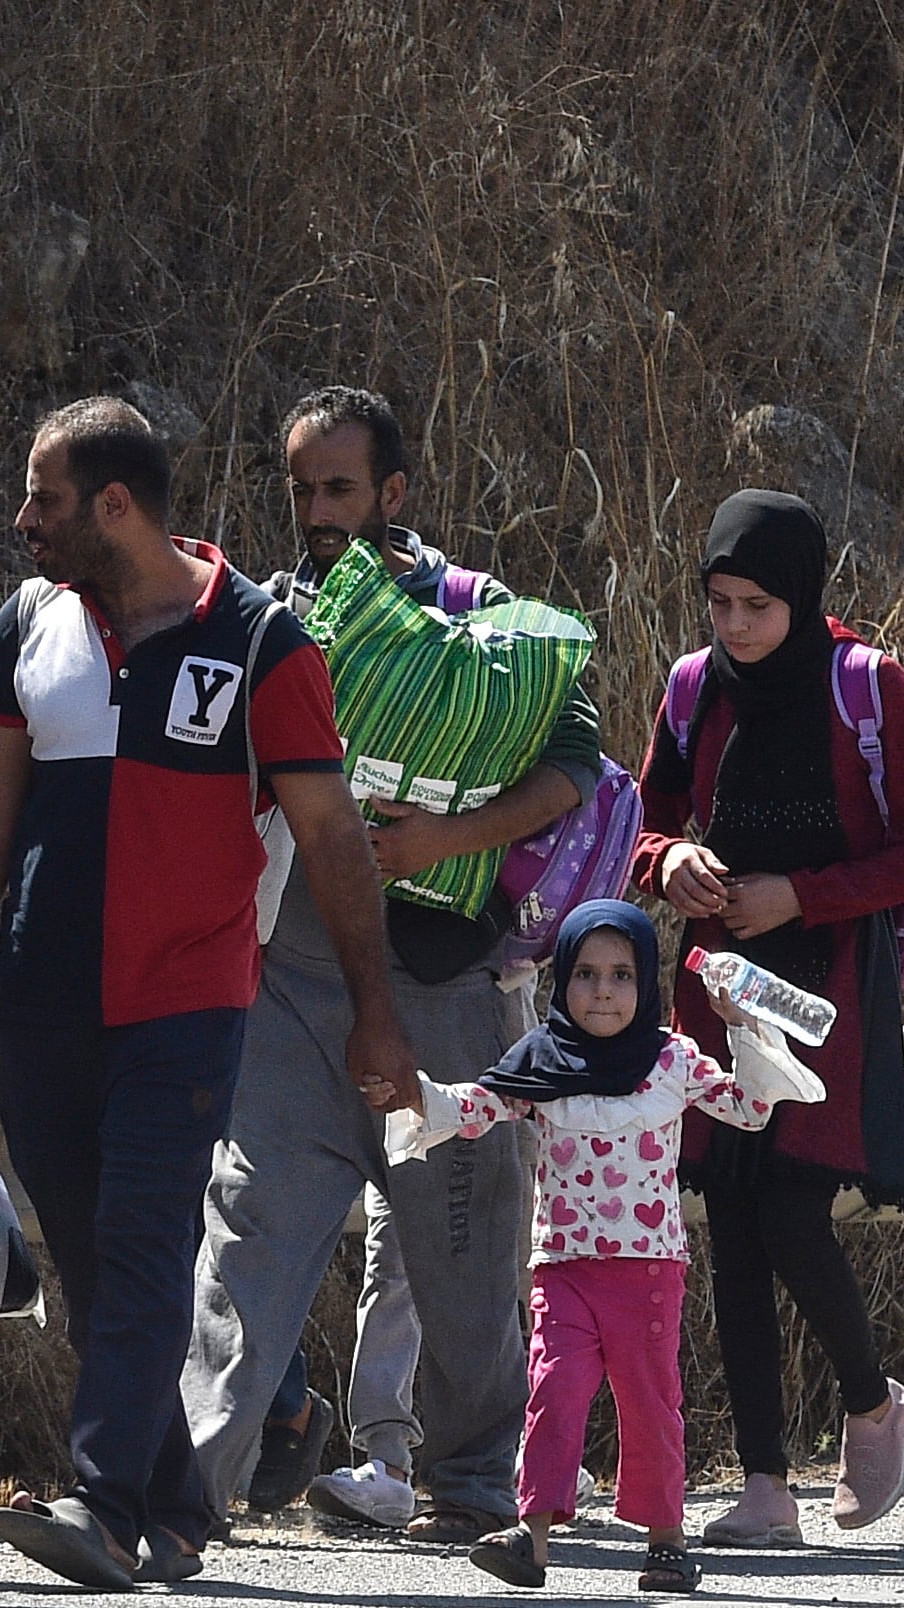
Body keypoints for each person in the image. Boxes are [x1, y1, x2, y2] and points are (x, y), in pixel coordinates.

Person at [0, 396, 418, 1591]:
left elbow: (332, 841)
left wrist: (374, 1009)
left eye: (44, 501)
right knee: (97, 1264)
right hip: (43, 998)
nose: (23, 523)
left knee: (143, 1238)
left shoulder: (261, 643)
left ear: (115, 506)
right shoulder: (27, 624)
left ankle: (106, 1505)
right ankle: (185, 1494)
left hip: (189, 998)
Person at [182, 385, 605, 1544]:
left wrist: (434, 843)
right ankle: (182, 1493)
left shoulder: (476, 628)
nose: (319, 512)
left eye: (340, 488)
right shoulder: (270, 620)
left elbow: (579, 759)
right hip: (294, 979)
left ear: (394, 493)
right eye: (302, 489)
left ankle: (473, 1488)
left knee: (463, 1254)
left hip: (443, 992)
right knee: (247, 1235)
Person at [631, 489, 904, 1547]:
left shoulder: (864, 684)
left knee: (788, 1210)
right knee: (728, 1224)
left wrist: (800, 896)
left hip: (822, 986)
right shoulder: (693, 688)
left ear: (802, 597)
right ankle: (765, 1486)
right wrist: (669, 860)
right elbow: (646, 818)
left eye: (757, 606)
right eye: (719, 603)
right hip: (718, 983)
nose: (733, 627)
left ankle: (871, 1405)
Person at [379, 902, 807, 1594]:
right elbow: (479, 1106)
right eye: (584, 973)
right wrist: (418, 1098)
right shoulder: (542, 1061)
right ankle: (533, 1536)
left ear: (648, 983)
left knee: (650, 1403)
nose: (602, 991)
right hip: (564, 1269)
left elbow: (751, 1108)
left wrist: (742, 1027)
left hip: (648, 1274)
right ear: (561, 980)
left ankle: (666, 1540)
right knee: (553, 1392)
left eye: (620, 974)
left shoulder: (672, 1060)